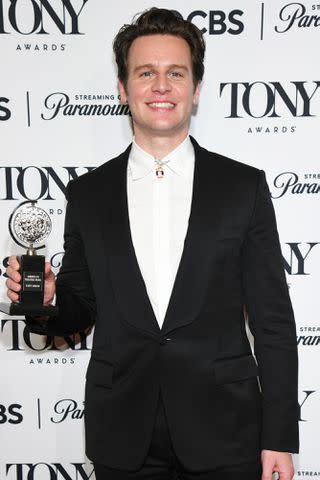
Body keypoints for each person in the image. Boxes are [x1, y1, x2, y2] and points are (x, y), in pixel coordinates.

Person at [6, 7, 299, 480]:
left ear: (195, 89)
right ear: (123, 89)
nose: (161, 86)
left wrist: (279, 439)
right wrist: (49, 298)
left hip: (227, 432)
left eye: (175, 73)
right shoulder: (87, 194)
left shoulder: (244, 187)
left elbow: (274, 322)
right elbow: (81, 311)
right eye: (146, 73)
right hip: (124, 434)